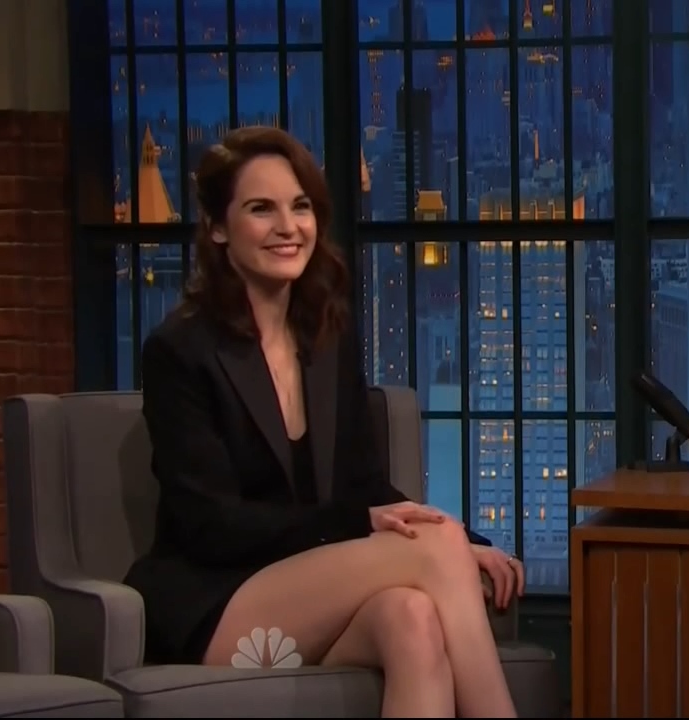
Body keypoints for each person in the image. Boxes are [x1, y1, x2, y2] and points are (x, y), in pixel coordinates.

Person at [122, 126, 522, 718]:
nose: (288, 226)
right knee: (435, 552)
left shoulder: (327, 339)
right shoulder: (180, 351)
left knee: (412, 620)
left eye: (301, 206)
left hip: (312, 593)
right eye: (261, 209)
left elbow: (364, 486)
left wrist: (461, 542)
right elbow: (211, 524)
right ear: (217, 227)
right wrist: (389, 532)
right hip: (216, 603)